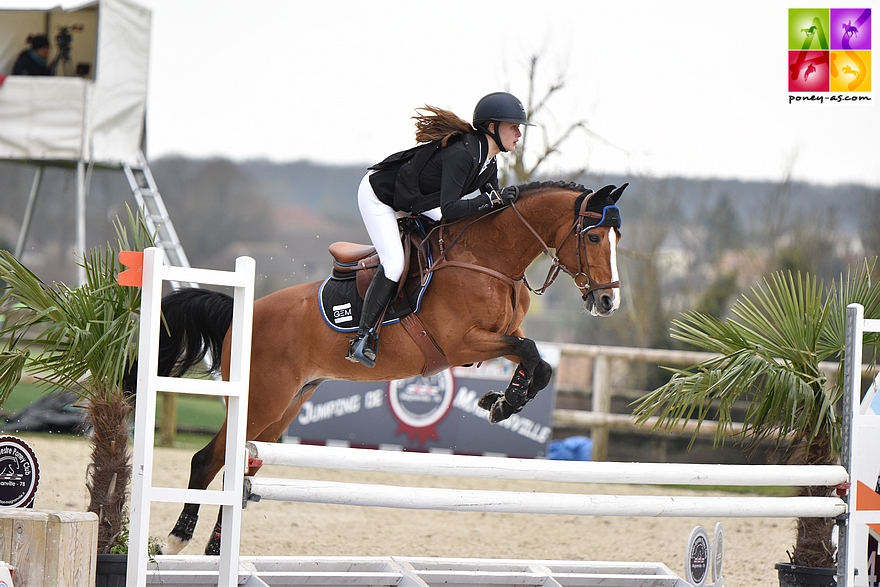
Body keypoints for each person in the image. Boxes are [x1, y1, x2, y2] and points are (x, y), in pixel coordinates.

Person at [346, 91, 531, 367]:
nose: (518, 133)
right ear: (492, 128)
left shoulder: (489, 160)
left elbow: (491, 208)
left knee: (446, 242)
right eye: (513, 126)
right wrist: (491, 199)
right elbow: (452, 209)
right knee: (395, 264)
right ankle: (363, 337)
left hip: (414, 201)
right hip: (381, 197)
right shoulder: (463, 154)